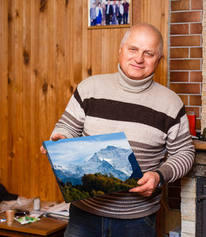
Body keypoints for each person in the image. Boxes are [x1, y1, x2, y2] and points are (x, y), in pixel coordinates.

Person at [40, 23, 195, 237]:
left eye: (148, 53)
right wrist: (60, 138)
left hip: (137, 221)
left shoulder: (171, 103)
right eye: (133, 49)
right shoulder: (89, 88)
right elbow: (66, 126)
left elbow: (185, 154)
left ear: (158, 60)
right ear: (121, 50)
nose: (139, 59)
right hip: (84, 215)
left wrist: (159, 176)